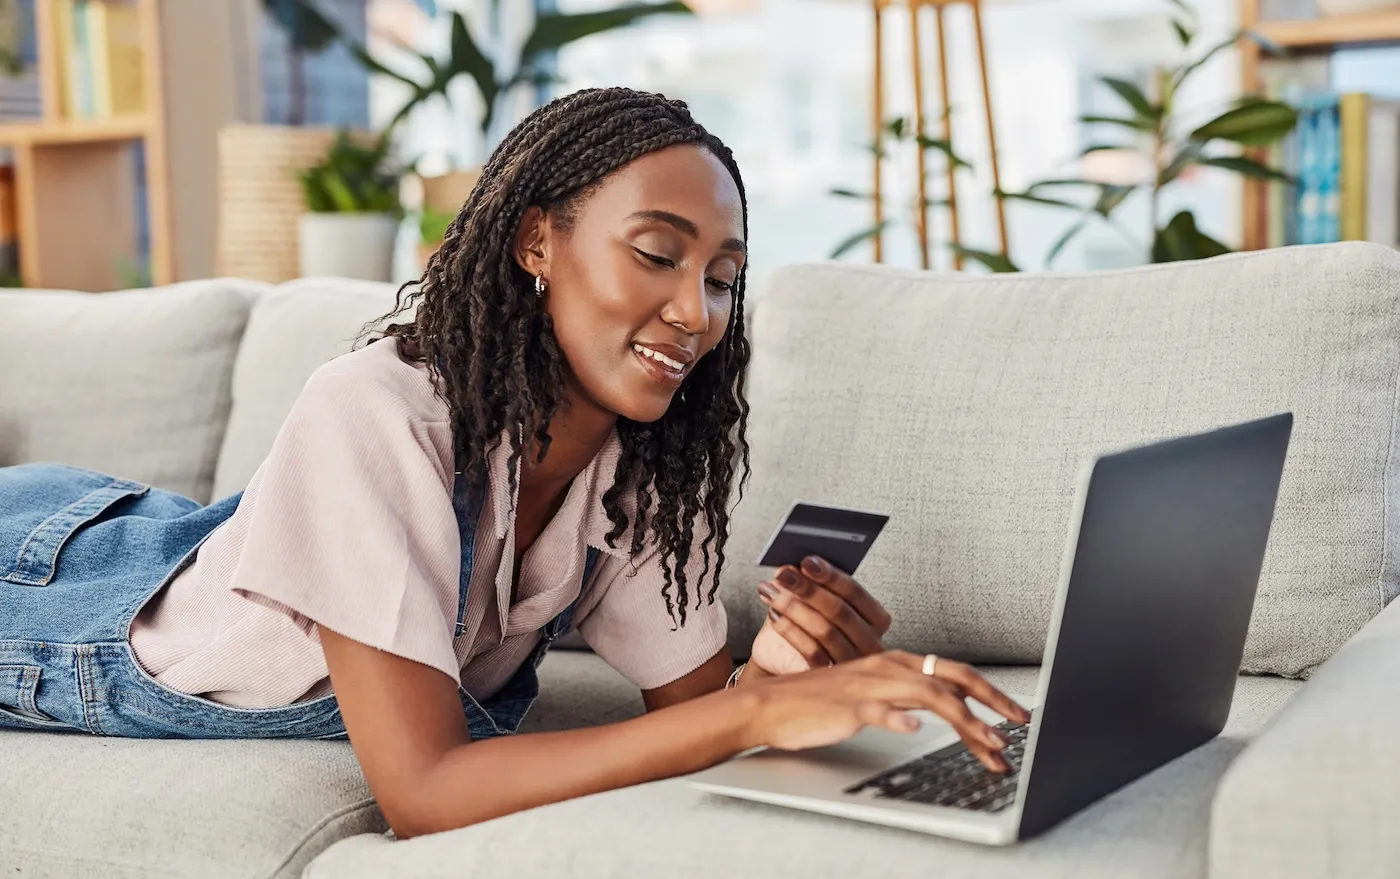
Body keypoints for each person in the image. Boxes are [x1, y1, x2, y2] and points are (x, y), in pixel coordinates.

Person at [0, 88, 1028, 839]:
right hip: (58, 591)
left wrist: (786, 674)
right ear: (537, 241)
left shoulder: (640, 470)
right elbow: (425, 789)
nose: (694, 311)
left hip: (168, 536)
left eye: (722, 277)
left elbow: (695, 718)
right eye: (657, 254)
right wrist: (756, 712)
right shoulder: (376, 412)